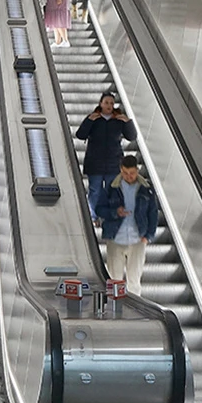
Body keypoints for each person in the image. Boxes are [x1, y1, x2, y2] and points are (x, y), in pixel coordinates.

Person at [96, 155, 158, 294]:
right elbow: (99, 209)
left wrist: (149, 235)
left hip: (137, 239)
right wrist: (115, 212)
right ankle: (114, 310)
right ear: (120, 170)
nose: (129, 176)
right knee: (114, 280)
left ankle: (135, 311)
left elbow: (153, 213)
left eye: (132, 173)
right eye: (125, 173)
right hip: (116, 238)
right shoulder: (112, 187)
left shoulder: (146, 188)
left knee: (134, 281)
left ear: (137, 170)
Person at [75, 92, 138, 219]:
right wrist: (89, 121)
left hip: (113, 163)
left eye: (111, 103)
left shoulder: (118, 121)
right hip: (95, 163)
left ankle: (111, 215)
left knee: (113, 191)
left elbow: (132, 137)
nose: (109, 105)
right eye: (106, 102)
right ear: (101, 104)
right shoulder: (94, 119)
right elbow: (80, 135)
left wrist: (128, 122)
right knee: (95, 191)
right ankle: (93, 216)